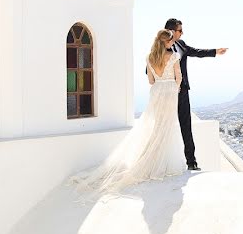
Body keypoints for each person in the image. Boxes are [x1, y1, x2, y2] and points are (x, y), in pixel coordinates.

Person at [74, 29, 186, 195]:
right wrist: (174, 89)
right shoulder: (174, 56)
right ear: (166, 42)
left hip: (156, 91)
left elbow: (150, 80)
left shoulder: (149, 58)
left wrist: (160, 84)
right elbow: (179, 77)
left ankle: (153, 160)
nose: (172, 43)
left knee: (157, 127)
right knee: (167, 126)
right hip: (170, 91)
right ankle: (162, 164)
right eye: (170, 41)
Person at [164, 18, 227, 170]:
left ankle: (191, 162)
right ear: (172, 31)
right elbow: (151, 70)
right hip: (167, 94)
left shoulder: (181, 44)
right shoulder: (159, 48)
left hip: (183, 91)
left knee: (186, 126)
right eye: (180, 30)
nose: (182, 32)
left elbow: (196, 52)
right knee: (164, 126)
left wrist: (215, 52)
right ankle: (162, 162)